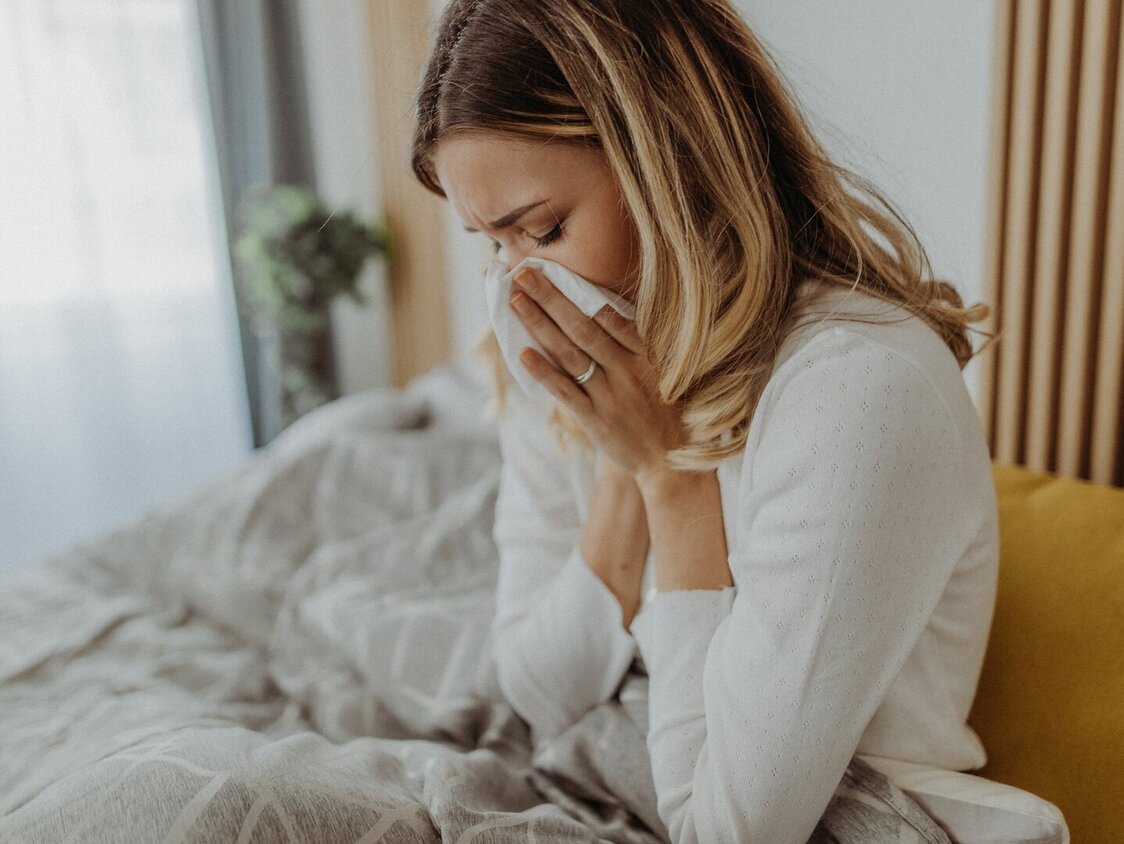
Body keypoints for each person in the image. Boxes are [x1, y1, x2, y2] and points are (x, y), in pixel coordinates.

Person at [411, 1, 999, 841]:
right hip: (613, 775)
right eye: (492, 246)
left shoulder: (859, 393)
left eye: (543, 229)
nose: (518, 288)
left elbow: (726, 832)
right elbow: (537, 693)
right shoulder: (562, 346)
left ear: (675, 166)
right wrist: (623, 462)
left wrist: (671, 475)